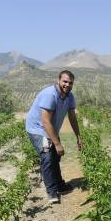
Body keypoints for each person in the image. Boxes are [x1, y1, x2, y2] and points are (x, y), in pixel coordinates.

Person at [25, 70, 83, 204]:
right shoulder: (50, 95)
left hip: (50, 128)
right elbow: (45, 121)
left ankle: (59, 184)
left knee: (56, 156)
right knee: (48, 156)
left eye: (70, 83)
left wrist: (78, 137)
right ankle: (51, 191)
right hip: (37, 128)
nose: (67, 85)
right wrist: (57, 144)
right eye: (65, 81)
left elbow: (72, 117)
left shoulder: (69, 97)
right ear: (58, 80)